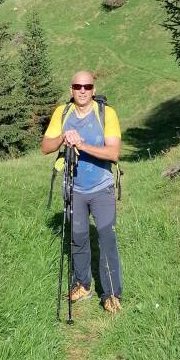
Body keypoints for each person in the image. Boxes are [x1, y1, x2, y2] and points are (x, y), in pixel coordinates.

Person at [41, 70, 123, 313]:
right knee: (78, 238)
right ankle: (82, 285)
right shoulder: (62, 112)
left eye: (87, 86)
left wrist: (81, 144)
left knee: (107, 239)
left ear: (94, 90)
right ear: (71, 90)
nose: (83, 90)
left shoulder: (106, 113)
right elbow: (45, 147)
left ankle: (111, 294)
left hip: (101, 187)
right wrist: (63, 138)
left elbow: (113, 153)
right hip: (73, 188)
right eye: (78, 86)